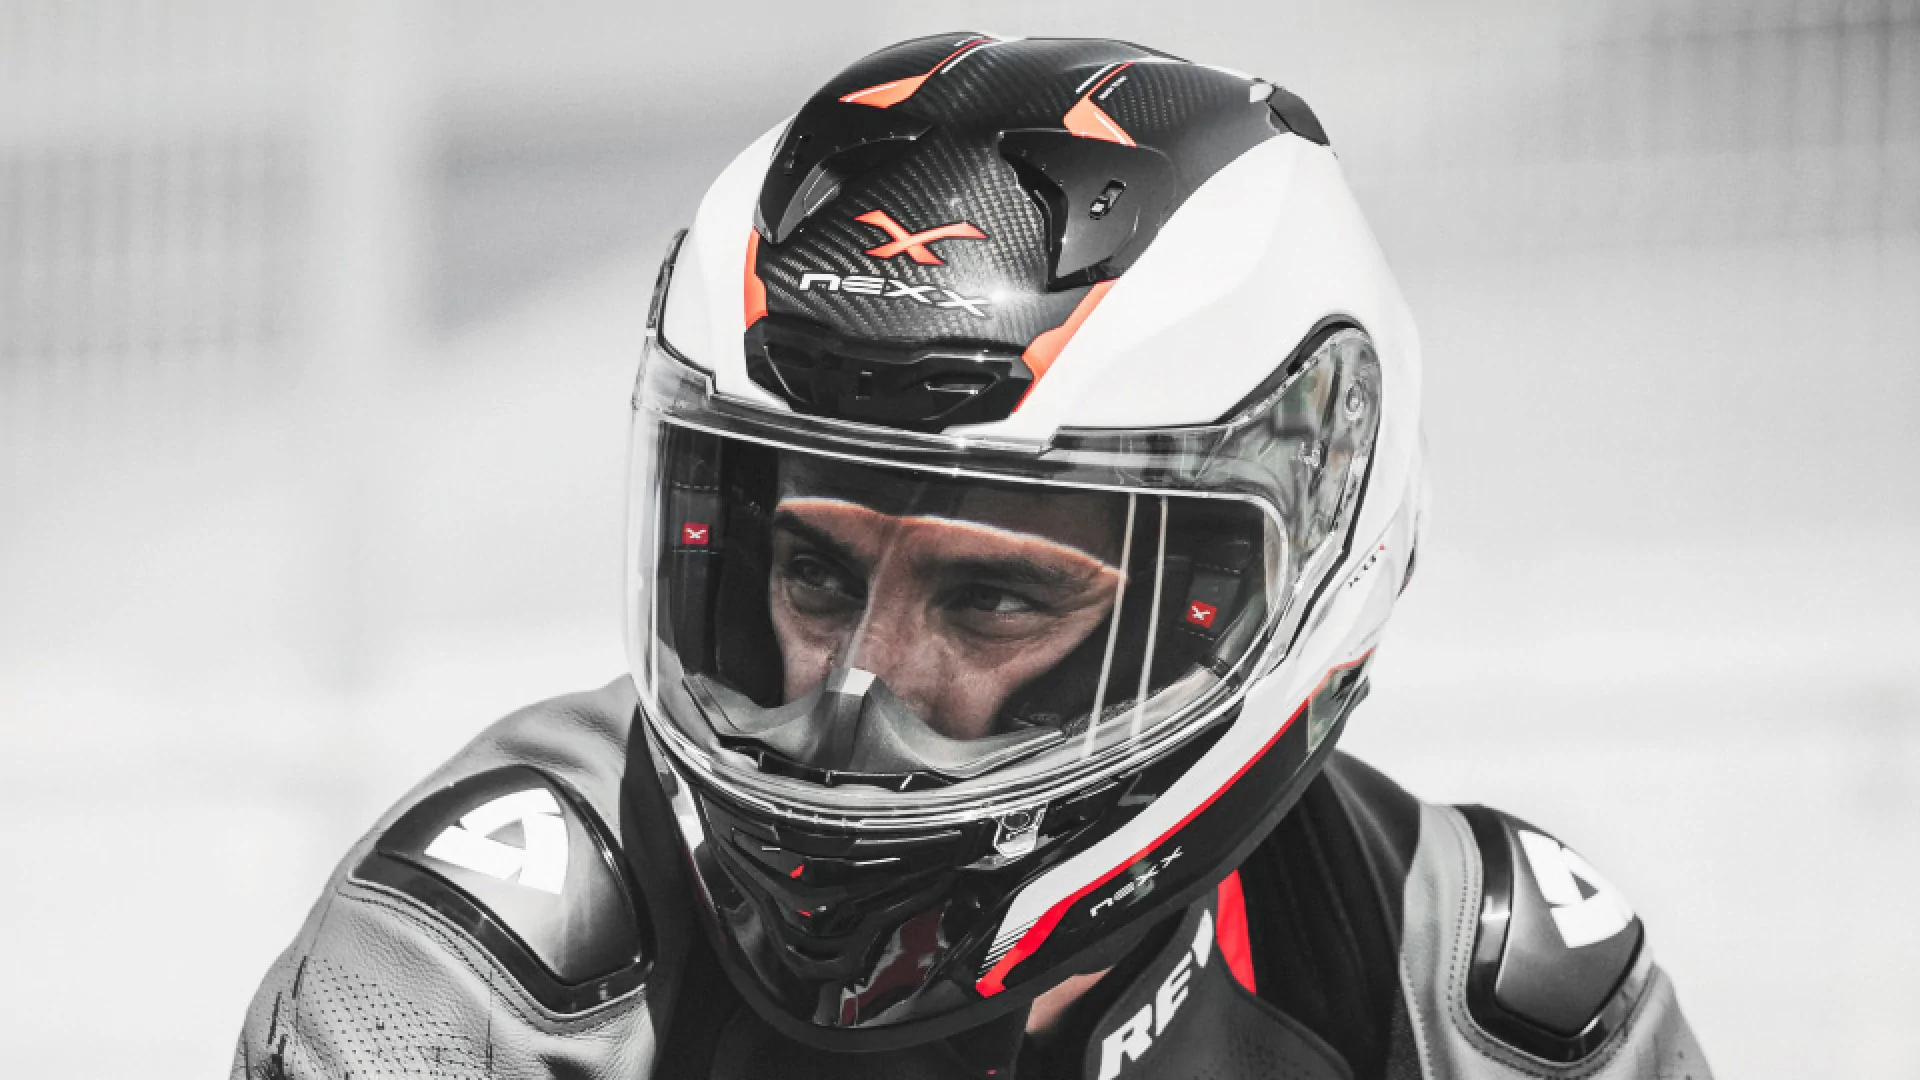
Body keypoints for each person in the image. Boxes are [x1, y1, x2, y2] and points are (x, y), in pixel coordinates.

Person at [233, 34, 1712, 1080]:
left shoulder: (1470, 997)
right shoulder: (483, 981)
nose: (858, 695)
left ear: (1244, 606)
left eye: (994, 597)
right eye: (815, 576)